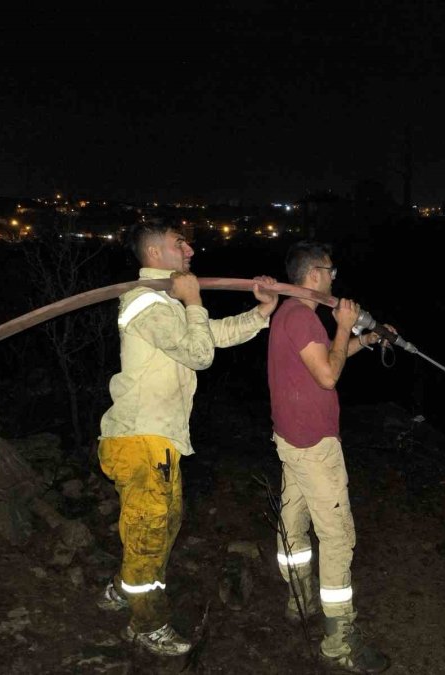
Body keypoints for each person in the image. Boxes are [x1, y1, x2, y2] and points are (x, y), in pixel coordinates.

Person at [96, 221, 279, 657]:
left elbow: (209, 336)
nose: (192, 250)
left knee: (164, 524)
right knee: (150, 531)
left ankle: (125, 590)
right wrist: (194, 299)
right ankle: (146, 623)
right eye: (181, 243)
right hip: (138, 438)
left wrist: (261, 314)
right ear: (155, 254)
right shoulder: (144, 302)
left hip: (158, 441)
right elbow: (199, 354)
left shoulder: (165, 303)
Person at [267, 240, 390, 673]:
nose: (334, 279)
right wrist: (344, 326)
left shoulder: (291, 315)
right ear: (314, 274)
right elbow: (328, 375)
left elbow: (322, 359)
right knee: (337, 538)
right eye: (330, 271)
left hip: (293, 445)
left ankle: (297, 599)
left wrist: (368, 337)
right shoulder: (303, 318)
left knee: (294, 524)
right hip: (315, 449)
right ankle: (340, 642)